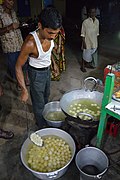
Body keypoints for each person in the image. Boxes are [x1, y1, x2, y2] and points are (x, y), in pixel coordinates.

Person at [15, 7, 62, 128]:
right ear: (40, 25)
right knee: (39, 103)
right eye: (50, 33)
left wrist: (53, 64)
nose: (53, 37)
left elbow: (48, 52)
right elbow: (18, 66)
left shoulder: (51, 36)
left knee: (46, 96)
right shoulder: (30, 43)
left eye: (56, 34)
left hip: (46, 71)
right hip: (36, 74)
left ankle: (45, 118)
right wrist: (24, 89)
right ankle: (42, 127)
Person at [80, 6, 99, 72]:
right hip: (87, 42)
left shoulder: (97, 21)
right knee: (85, 55)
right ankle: (82, 66)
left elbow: (97, 33)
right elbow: (82, 34)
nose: (93, 14)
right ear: (89, 13)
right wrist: (84, 43)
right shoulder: (85, 22)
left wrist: (96, 42)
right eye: (91, 12)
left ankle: (87, 64)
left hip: (94, 42)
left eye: (94, 12)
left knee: (91, 54)